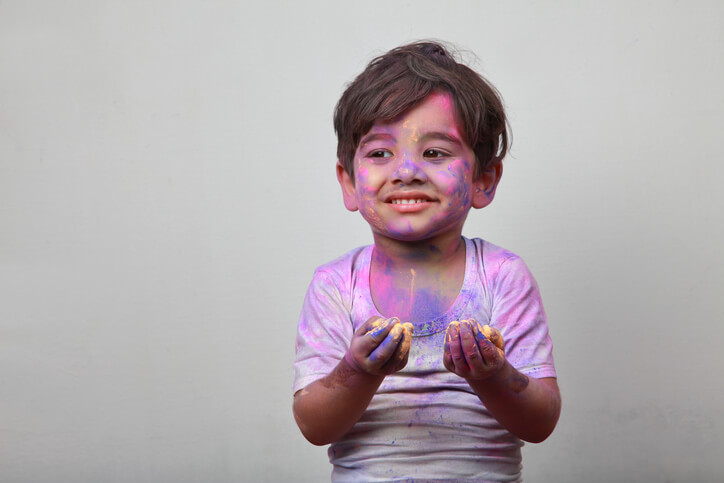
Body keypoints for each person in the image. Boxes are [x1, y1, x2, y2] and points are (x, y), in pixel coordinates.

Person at [292, 41, 561, 482]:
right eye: (380, 153)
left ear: (483, 180)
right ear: (349, 184)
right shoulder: (336, 285)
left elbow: (540, 422)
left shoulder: (501, 277)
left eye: (435, 153)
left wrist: (493, 375)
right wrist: (356, 371)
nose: (406, 170)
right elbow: (313, 425)